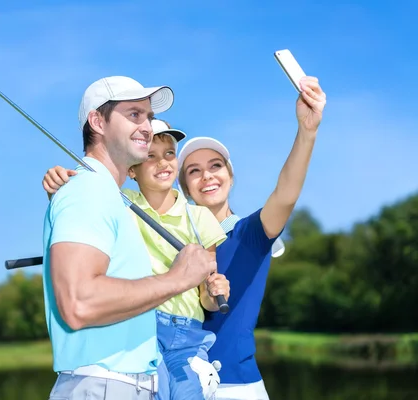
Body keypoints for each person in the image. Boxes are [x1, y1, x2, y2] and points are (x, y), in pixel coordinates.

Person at [42, 75, 219, 400]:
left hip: (128, 384)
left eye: (148, 116)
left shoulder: (106, 196)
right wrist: (178, 278)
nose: (147, 126)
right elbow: (79, 303)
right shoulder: (88, 190)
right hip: (103, 385)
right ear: (97, 120)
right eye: (134, 115)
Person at [176, 75, 327, 399]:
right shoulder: (176, 242)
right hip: (182, 386)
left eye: (215, 166)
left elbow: (285, 195)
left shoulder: (251, 232)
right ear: (185, 189)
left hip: (238, 387)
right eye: (194, 171)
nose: (207, 176)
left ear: (230, 176)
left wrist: (307, 131)